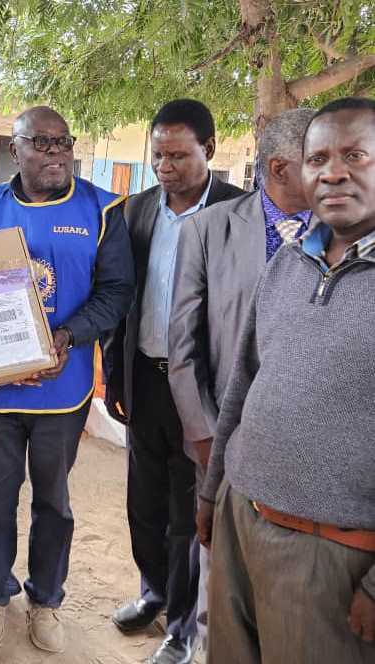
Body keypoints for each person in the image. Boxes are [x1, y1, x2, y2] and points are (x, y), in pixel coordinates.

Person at [197, 96, 375, 664]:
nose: (333, 172)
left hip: (335, 555)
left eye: (356, 155)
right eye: (318, 158)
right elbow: (243, 388)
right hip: (239, 520)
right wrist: (213, 489)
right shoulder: (289, 262)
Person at [0, 106, 136, 654]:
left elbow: (116, 293)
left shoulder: (102, 210)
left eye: (65, 143)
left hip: (64, 389)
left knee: (54, 503)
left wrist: (68, 337)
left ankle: (47, 599)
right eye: (43, 143)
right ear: (15, 150)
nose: (58, 153)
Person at [167, 108, 315, 662]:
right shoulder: (209, 229)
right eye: (317, 160)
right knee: (219, 585)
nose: (333, 177)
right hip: (225, 447)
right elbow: (183, 348)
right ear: (279, 167)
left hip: (309, 458)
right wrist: (205, 437)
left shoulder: (347, 236)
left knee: (295, 598)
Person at [104, 99, 244, 664]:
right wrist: (115, 375)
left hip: (205, 389)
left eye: (179, 155)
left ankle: (184, 629)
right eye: (158, 154)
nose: (165, 166)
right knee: (145, 500)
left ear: (208, 151)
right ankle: (153, 593)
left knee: (193, 513)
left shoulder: (241, 212)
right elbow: (120, 299)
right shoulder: (134, 212)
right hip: (144, 376)